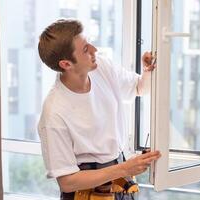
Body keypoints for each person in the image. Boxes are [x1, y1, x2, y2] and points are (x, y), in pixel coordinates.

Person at [37, 19, 161, 200]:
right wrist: (125, 168)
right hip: (86, 192)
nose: (95, 50)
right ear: (66, 64)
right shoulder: (53, 112)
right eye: (86, 49)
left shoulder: (102, 67)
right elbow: (68, 181)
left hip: (120, 182)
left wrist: (148, 70)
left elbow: (139, 88)